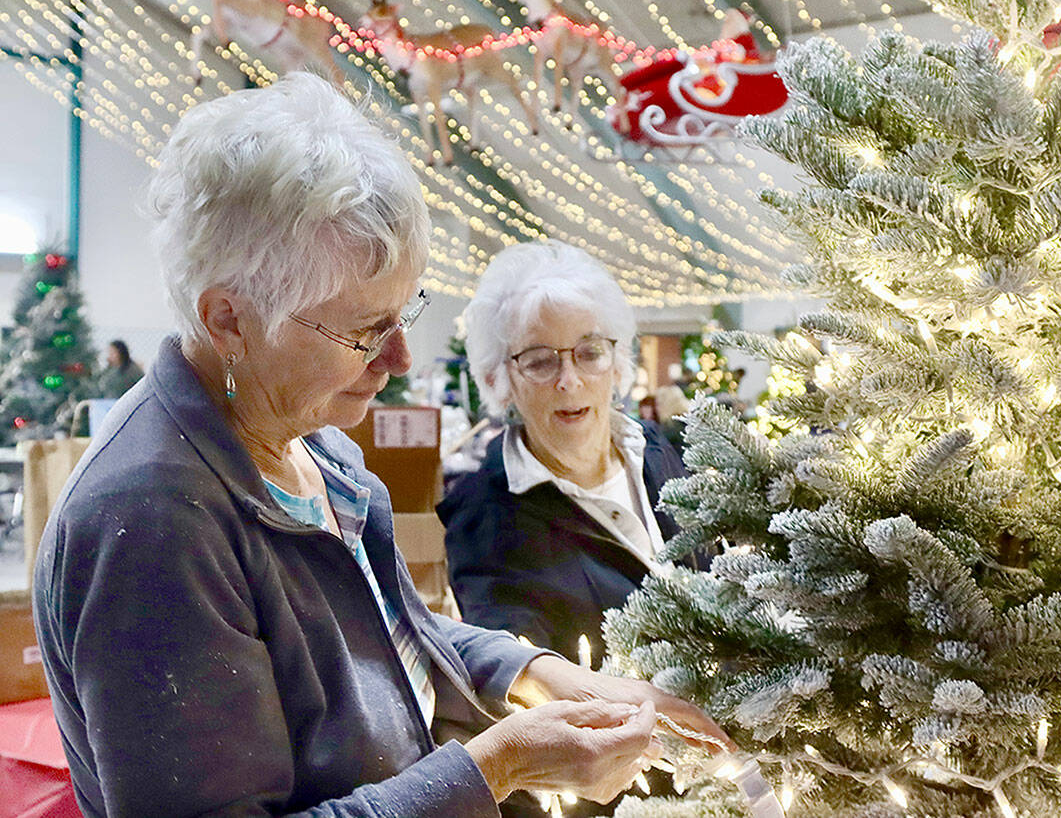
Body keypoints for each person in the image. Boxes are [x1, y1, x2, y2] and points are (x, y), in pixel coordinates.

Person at [31, 74, 728, 818]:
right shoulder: (155, 529)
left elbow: (395, 635)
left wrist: (539, 673)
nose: (398, 359)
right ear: (230, 318)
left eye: (404, 315)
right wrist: (500, 764)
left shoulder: (311, 440)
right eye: (362, 331)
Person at [439, 241, 711, 670]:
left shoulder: (657, 451)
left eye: (589, 354)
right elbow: (520, 671)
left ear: (617, 362)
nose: (569, 380)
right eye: (539, 361)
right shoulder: (484, 520)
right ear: (500, 378)